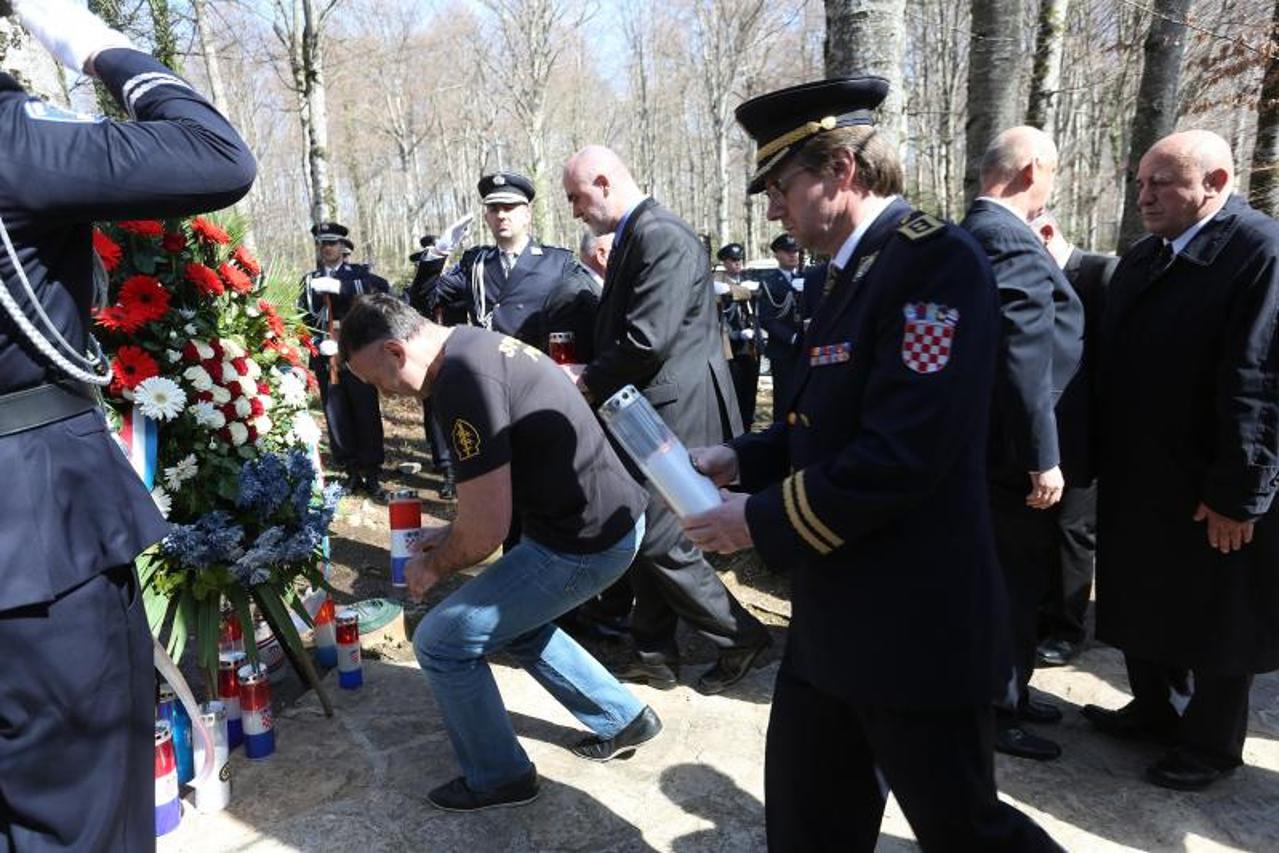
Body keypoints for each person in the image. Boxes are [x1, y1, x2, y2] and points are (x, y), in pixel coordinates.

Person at [682, 77, 1058, 852]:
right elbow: (820, 423)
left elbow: (903, 452)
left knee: (964, 829)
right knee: (807, 820)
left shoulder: (932, 262)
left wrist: (754, 521)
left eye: (780, 187)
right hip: (833, 617)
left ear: (841, 170)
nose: (772, 210)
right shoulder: (846, 271)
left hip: (911, 622)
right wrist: (735, 457)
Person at [0, 0, 256, 848]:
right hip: (36, 532)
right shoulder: (12, 141)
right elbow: (215, 154)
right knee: (80, 817)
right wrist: (83, 37)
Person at [339, 294, 660, 811]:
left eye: (379, 382)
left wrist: (432, 565)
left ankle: (500, 777)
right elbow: (493, 499)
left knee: (441, 641)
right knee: (514, 623)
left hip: (587, 543)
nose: (386, 395)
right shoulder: (471, 346)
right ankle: (622, 717)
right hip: (598, 523)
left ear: (396, 352)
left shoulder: (463, 382)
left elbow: (486, 532)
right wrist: (452, 532)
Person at [1085, 130, 1279, 791]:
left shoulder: (1259, 252)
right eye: (1140, 183)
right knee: (1144, 594)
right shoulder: (1147, 256)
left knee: (1219, 615)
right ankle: (1152, 707)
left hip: (1211, 480)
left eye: (1161, 183)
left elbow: (1258, 379)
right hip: (1144, 473)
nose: (1144, 196)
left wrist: (1239, 492)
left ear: (1215, 183)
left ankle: (1210, 744)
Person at [561, 145, 771, 695]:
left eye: (577, 198)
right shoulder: (639, 234)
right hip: (652, 407)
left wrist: (586, 379)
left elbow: (647, 338)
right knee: (645, 529)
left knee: (661, 537)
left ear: (603, 182)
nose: (576, 211)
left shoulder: (660, 235)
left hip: (678, 410)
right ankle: (653, 652)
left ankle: (741, 637)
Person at [960, 126, 1084, 763]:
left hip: (995, 450)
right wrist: (1043, 456)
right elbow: (1023, 356)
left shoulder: (980, 232)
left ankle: (1014, 687)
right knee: (1008, 583)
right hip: (1009, 456)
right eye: (1054, 174)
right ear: (1033, 170)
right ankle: (996, 708)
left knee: (1020, 577)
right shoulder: (1006, 239)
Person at [1030, 211, 1116, 667]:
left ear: (1047, 234)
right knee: (1040, 529)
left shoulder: (1101, 275)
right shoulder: (1033, 281)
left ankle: (1068, 628)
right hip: (1043, 431)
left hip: (1087, 435)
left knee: (1071, 531)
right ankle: (1041, 616)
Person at [427, 172, 598, 358]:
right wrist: (438, 253)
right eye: (494, 209)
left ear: (527, 215)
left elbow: (591, 312)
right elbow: (425, 299)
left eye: (509, 208)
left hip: (537, 368)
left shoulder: (558, 262)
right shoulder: (475, 264)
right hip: (488, 368)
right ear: (487, 218)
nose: (501, 215)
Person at [299, 222, 391, 499]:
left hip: (357, 353)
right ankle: (351, 471)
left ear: (342, 246)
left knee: (366, 411)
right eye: (323, 244)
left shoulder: (358, 274)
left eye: (333, 243)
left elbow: (380, 288)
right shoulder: (309, 281)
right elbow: (303, 319)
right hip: (328, 356)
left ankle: (371, 472)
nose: (328, 248)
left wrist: (340, 286)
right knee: (336, 414)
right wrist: (317, 343)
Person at [406, 233, 459, 500]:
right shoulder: (414, 291)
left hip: (458, 354)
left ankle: (463, 465)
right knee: (435, 413)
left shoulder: (458, 283)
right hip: (428, 358)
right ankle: (447, 469)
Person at [755, 233, 807, 419]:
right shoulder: (769, 282)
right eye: (787, 252)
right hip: (783, 349)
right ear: (777, 254)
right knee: (784, 401)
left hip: (806, 348)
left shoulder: (809, 277)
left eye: (796, 251)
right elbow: (767, 319)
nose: (793, 255)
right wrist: (792, 337)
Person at [714, 242, 761, 430]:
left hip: (750, 346)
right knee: (735, 391)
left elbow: (758, 292)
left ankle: (747, 427)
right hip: (730, 347)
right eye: (733, 260)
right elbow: (721, 304)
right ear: (725, 262)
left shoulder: (748, 278)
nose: (738, 263)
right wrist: (737, 334)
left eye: (740, 259)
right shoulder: (718, 280)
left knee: (750, 391)